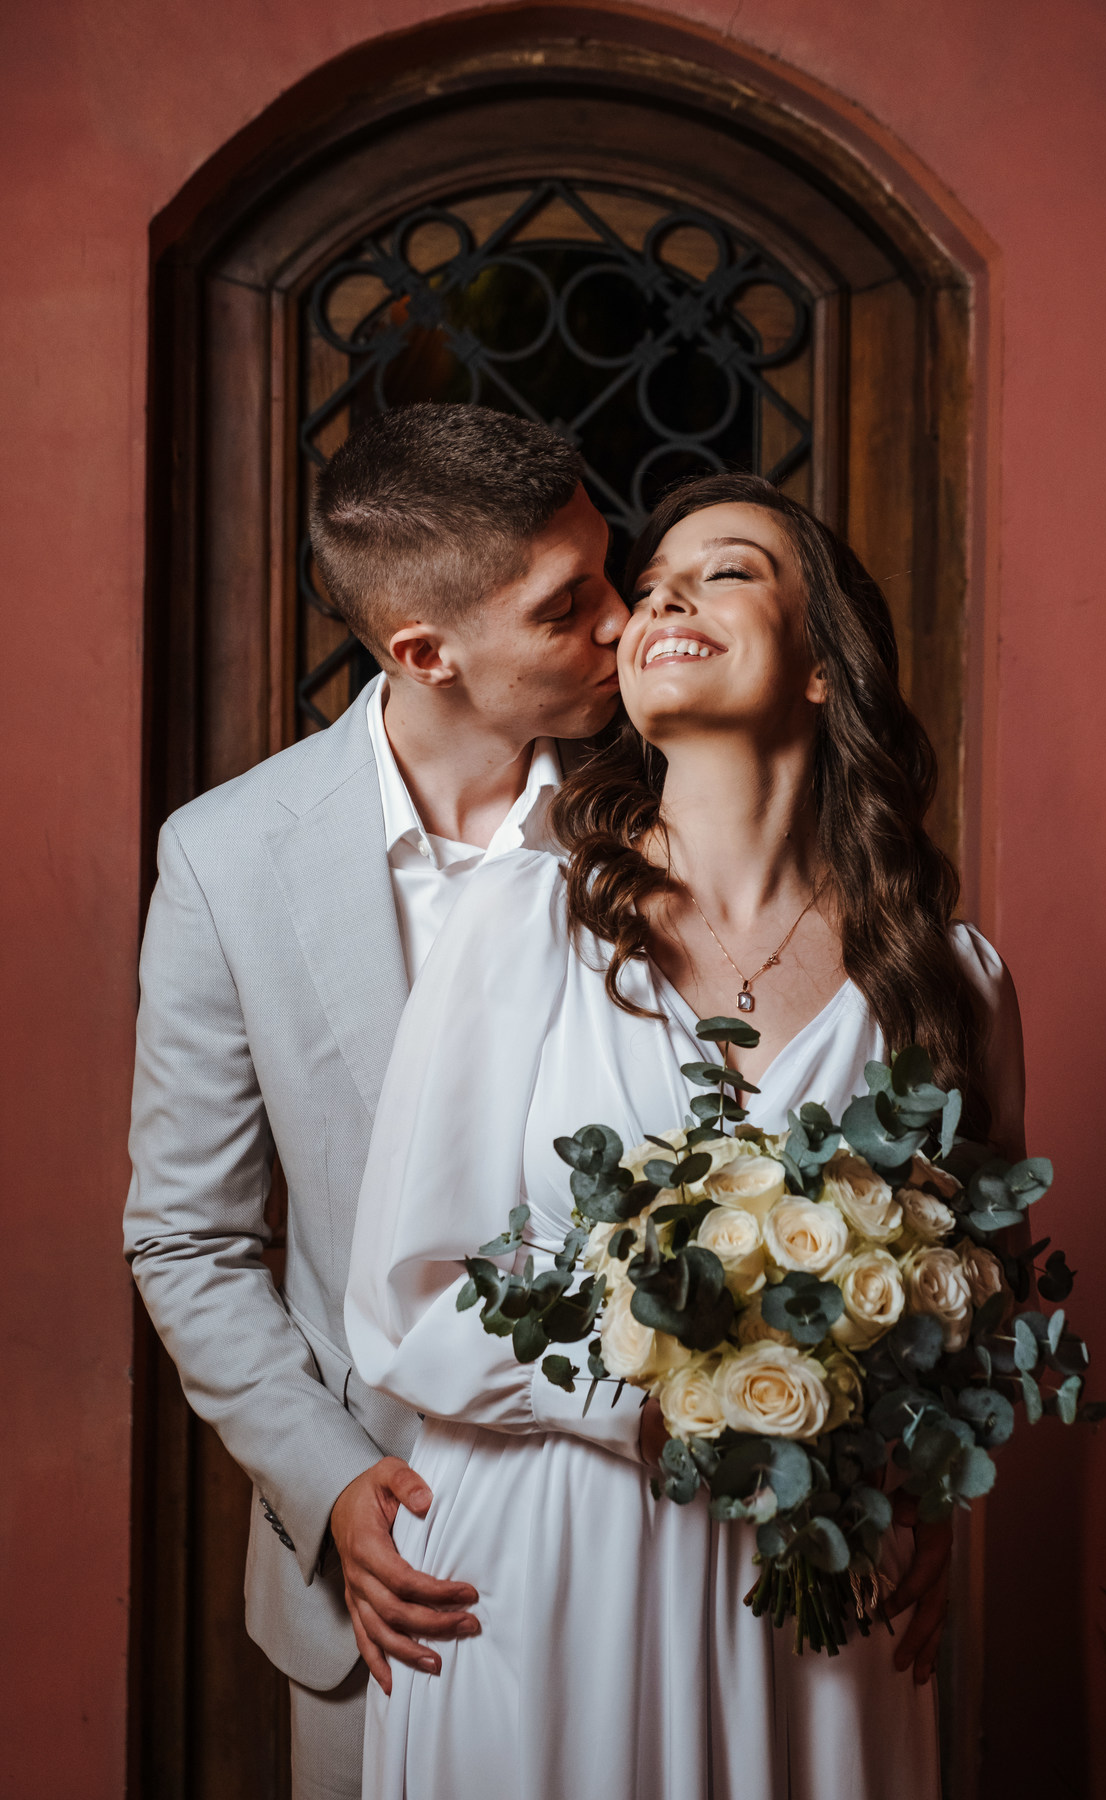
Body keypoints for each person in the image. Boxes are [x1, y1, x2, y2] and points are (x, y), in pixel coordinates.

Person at [346, 472, 1026, 1799]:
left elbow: (975, 1308)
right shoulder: (526, 923)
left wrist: (925, 1484)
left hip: (819, 1573)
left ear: (827, 667)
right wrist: (664, 1394)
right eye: (649, 584)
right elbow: (410, 1290)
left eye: (726, 571)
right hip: (554, 1552)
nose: (661, 596)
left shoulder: (955, 981)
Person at [123, 402, 628, 1798]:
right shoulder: (228, 858)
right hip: (384, 1572)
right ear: (424, 652)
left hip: (657, 1529)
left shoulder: (678, 813)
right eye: (568, 606)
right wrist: (332, 1481)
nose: (626, 622)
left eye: (610, 571)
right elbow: (186, 1236)